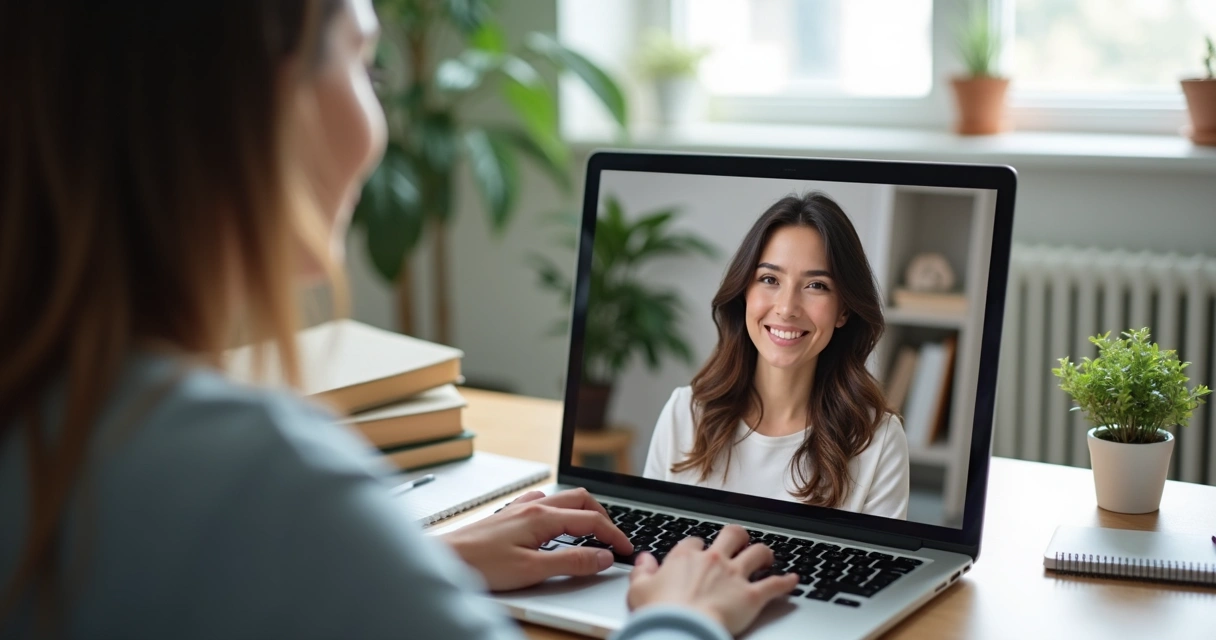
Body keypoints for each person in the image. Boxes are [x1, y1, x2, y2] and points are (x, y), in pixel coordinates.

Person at [0, 1, 799, 638]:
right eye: (364, 61)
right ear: (248, 98)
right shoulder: (262, 475)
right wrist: (680, 619)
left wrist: (389, 564)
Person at [643, 193, 910, 519]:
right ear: (744, 293)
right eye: (769, 279)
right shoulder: (683, 416)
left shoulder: (878, 442)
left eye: (816, 285)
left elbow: (877, 570)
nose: (786, 308)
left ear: (843, 310)